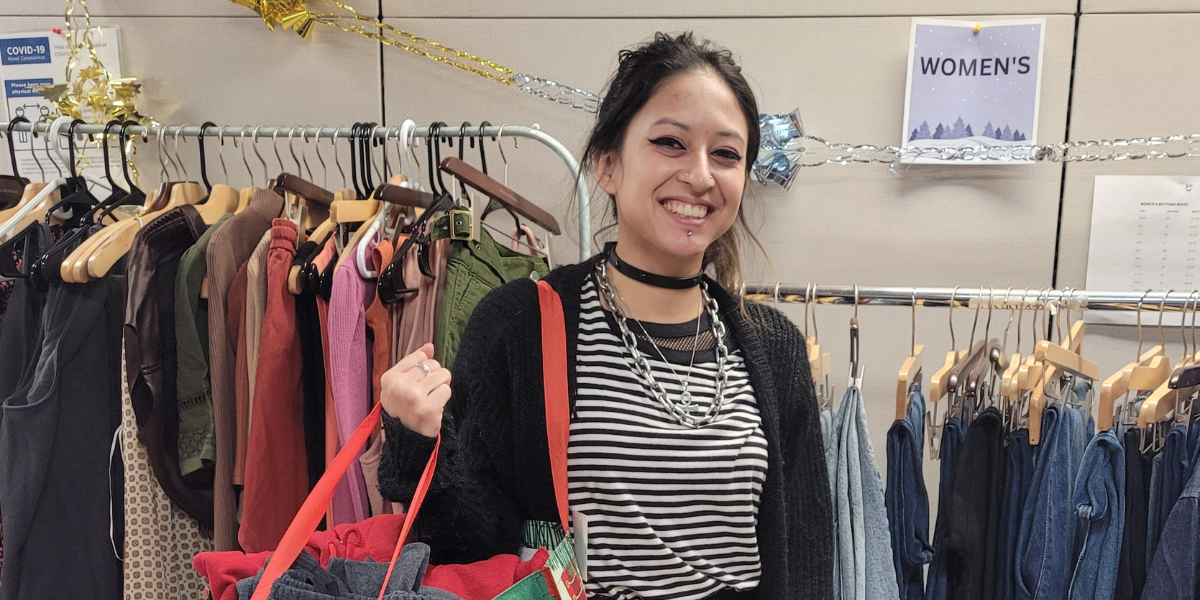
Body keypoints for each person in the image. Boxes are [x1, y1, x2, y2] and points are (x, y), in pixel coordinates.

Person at [378, 31, 834, 600]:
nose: (700, 174)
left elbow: (809, 554)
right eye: (671, 142)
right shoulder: (519, 324)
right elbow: (469, 549)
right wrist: (417, 442)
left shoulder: (775, 348)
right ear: (607, 165)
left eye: (726, 154)